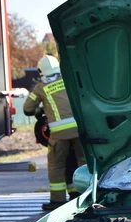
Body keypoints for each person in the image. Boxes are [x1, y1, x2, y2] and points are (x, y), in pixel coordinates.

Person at [23, 54, 86, 211]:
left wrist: (40, 109)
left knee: (56, 165)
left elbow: (27, 109)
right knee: (82, 161)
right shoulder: (69, 81)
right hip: (79, 130)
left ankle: (57, 200)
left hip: (59, 134)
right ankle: (85, 194)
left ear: (41, 71)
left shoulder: (40, 87)